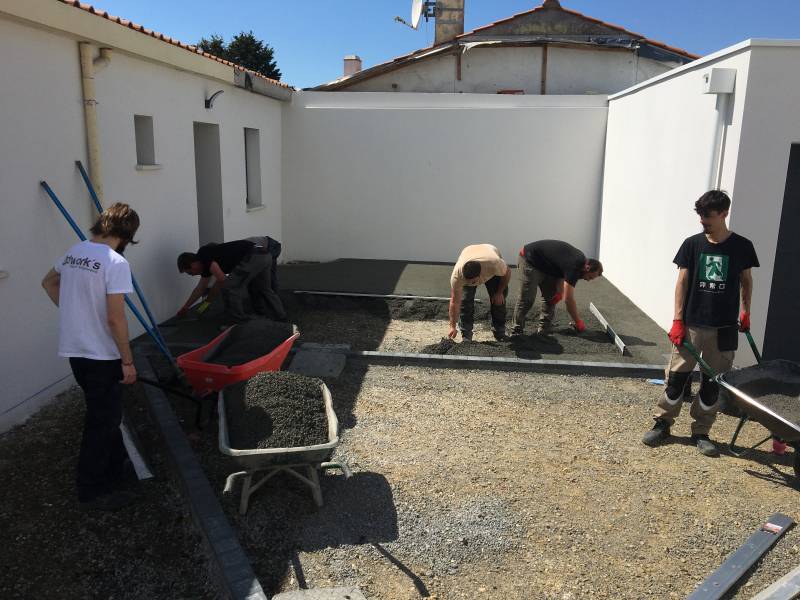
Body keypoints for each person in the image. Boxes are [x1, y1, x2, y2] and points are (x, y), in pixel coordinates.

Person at [41, 203, 141, 511]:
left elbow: (48, 283)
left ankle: (117, 469)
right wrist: (127, 360)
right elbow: (115, 319)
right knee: (102, 422)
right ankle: (92, 490)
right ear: (127, 234)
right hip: (102, 356)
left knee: (106, 415)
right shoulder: (115, 262)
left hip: (76, 353)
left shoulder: (74, 252)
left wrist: (75, 313)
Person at [642, 190, 759, 456]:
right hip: (692, 324)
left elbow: (747, 281)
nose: (703, 220)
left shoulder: (742, 247)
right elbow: (682, 282)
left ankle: (701, 432)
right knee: (676, 379)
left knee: (712, 384)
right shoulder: (692, 244)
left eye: (708, 215)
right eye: (700, 215)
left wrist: (746, 311)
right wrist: (677, 320)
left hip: (725, 328)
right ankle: (663, 423)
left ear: (724, 213)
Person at [176, 235, 286, 323]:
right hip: (264, 254)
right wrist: (186, 307)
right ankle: (281, 317)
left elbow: (223, 281)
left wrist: (208, 301)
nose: (192, 275)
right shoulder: (206, 265)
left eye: (190, 272)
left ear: (193, 263)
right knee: (264, 288)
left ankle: (238, 321)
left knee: (230, 288)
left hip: (253, 256)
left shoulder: (203, 255)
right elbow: (200, 289)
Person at [510, 240, 603, 336]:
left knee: (551, 297)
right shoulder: (575, 265)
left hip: (548, 266)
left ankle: (545, 328)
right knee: (527, 299)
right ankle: (517, 330)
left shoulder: (580, 265)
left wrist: (560, 292)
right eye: (590, 277)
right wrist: (578, 321)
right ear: (587, 268)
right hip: (531, 259)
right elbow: (568, 299)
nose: (588, 280)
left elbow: (562, 271)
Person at [448, 244, 511, 341]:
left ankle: (500, 333)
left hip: (489, 257)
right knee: (465, 302)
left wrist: (499, 292)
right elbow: (454, 302)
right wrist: (452, 326)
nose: (469, 284)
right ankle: (466, 335)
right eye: (467, 281)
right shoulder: (457, 276)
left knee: (498, 301)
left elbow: (507, 273)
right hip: (469, 252)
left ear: (481, 275)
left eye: (472, 282)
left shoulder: (494, 263)